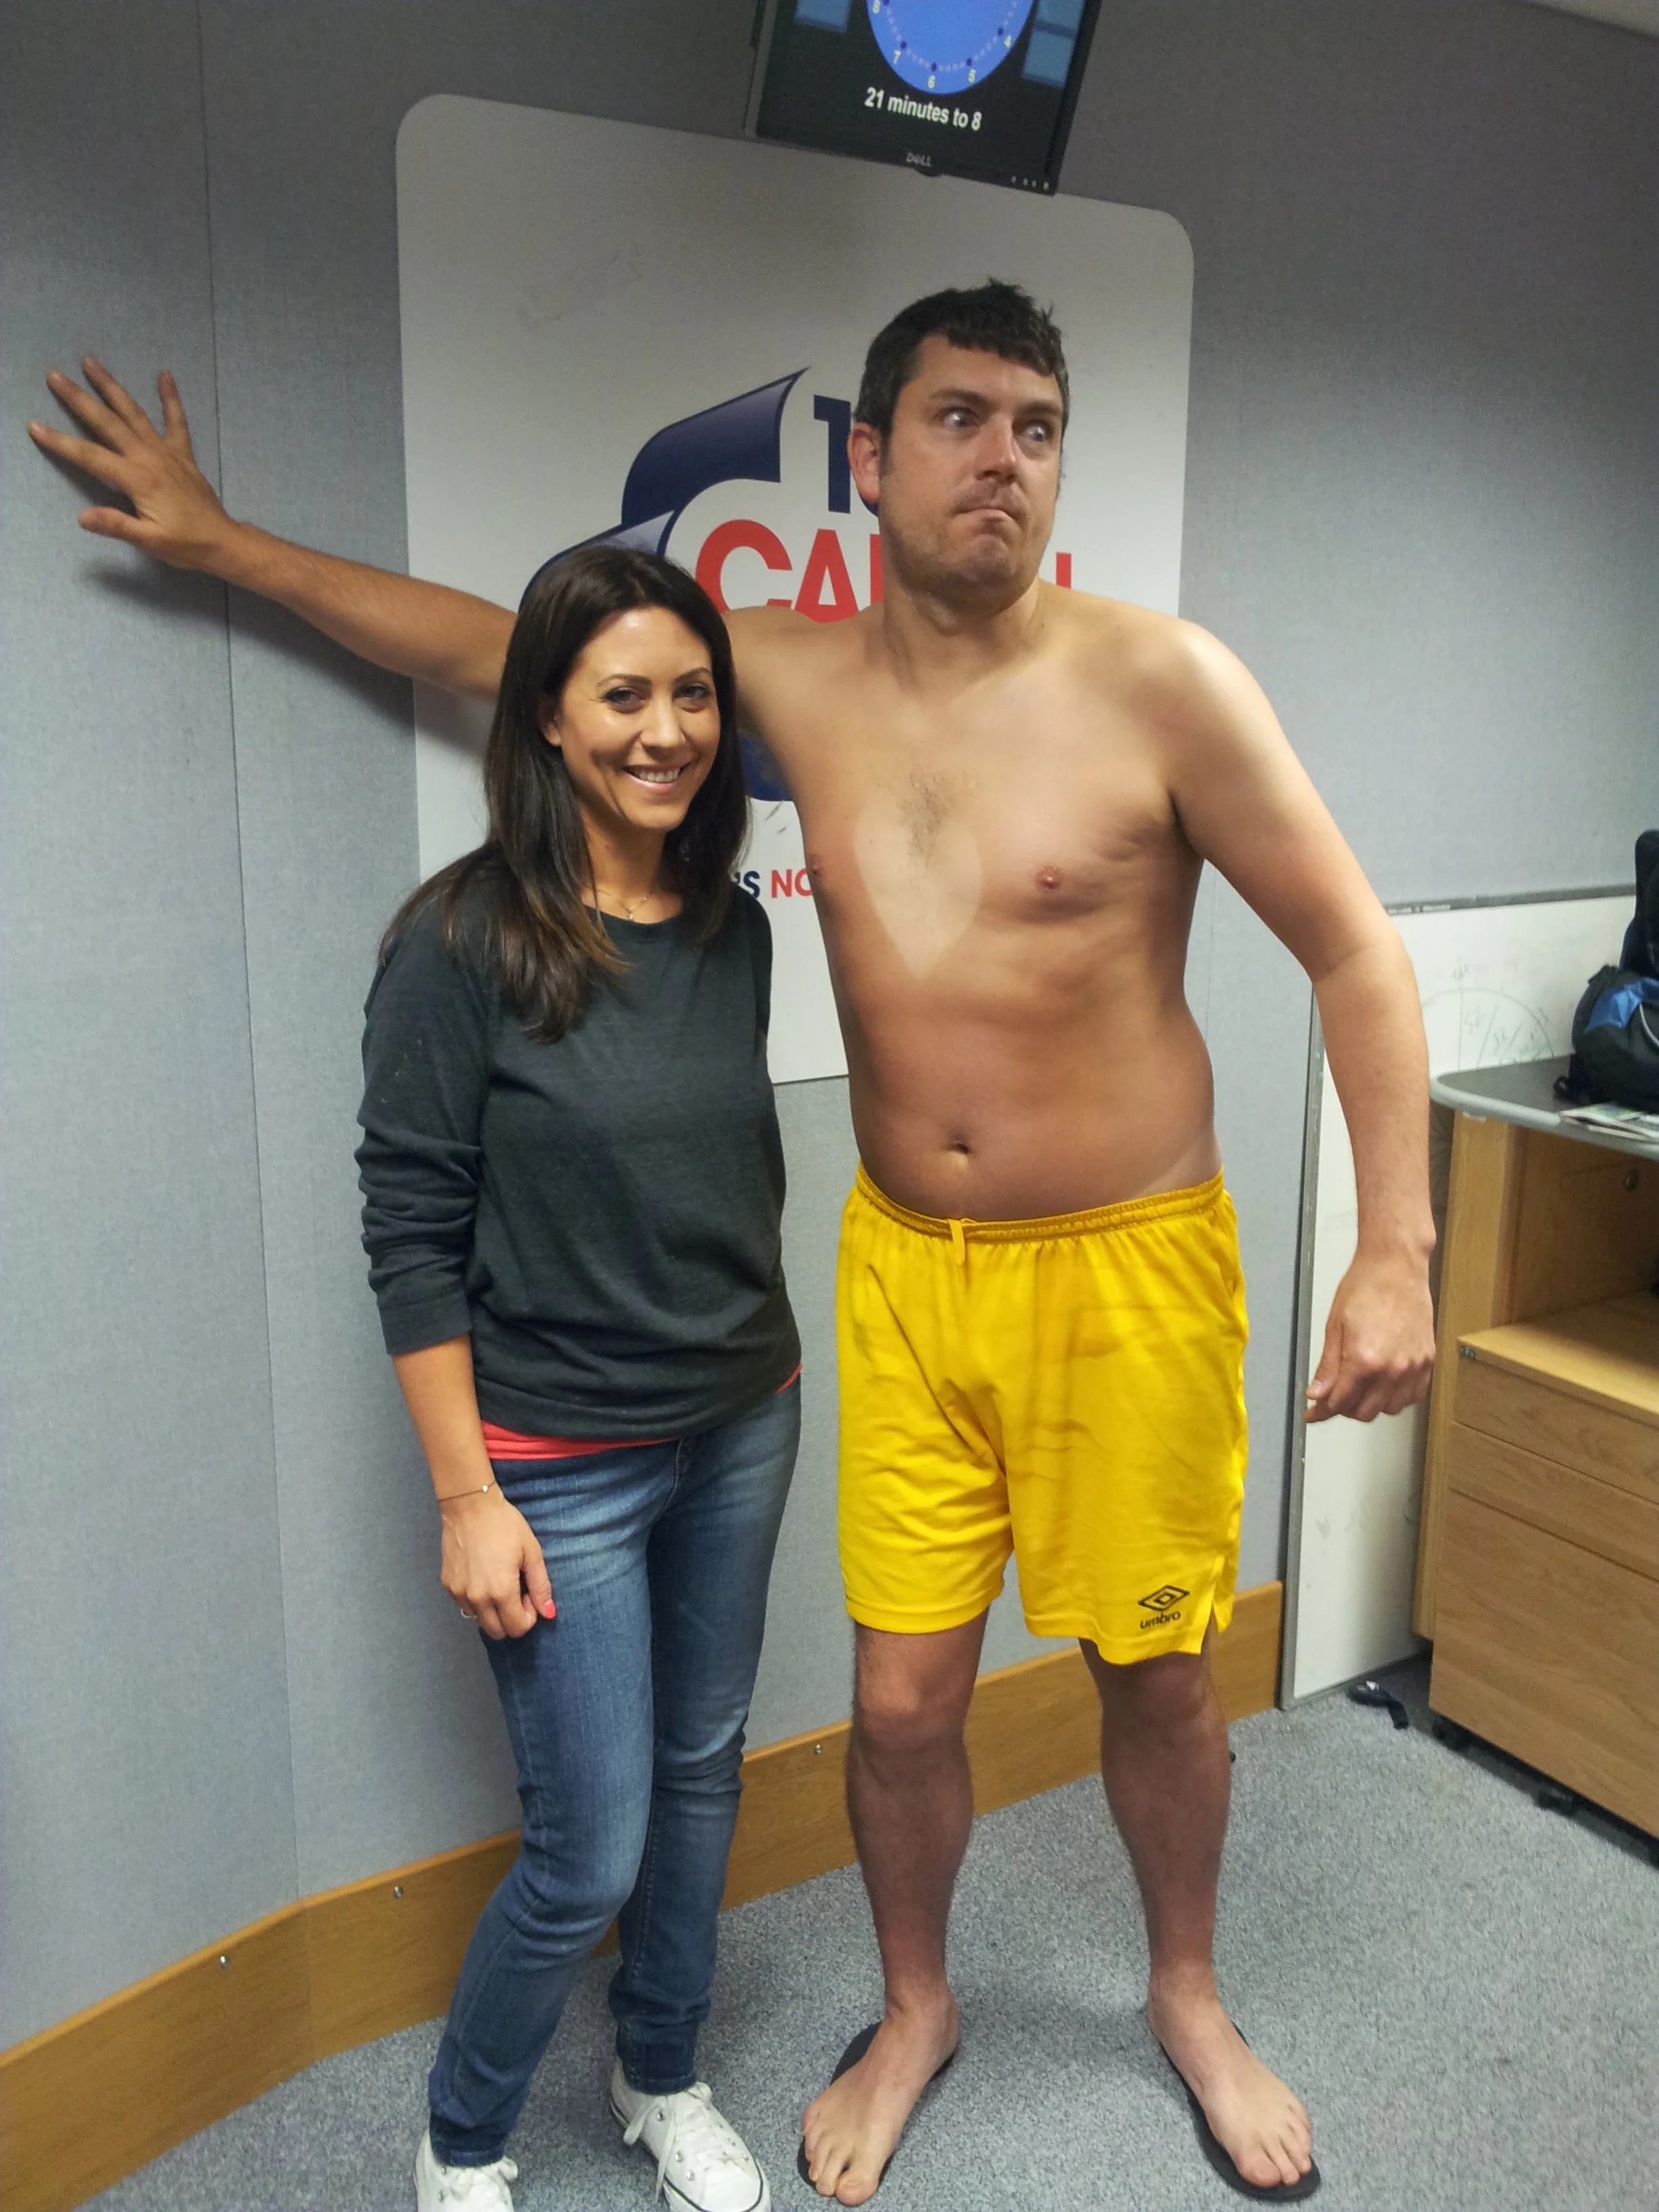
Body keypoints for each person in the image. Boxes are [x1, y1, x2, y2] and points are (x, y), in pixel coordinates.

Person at [31, 283, 1434, 2207]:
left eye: (1035, 424)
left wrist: (1397, 1249)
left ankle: (1185, 1989)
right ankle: (916, 2000)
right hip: (903, 1272)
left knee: (1162, 1676)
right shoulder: (779, 675)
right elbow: (488, 648)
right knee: (896, 1703)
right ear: (870, 458)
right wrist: (224, 547)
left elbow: (1356, 949)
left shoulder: (1162, 681)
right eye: (958, 418)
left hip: (1128, 1267)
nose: (1000, 458)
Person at [359, 544, 797, 2211]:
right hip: (553, 1464)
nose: (666, 729)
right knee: (583, 1849)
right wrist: (468, 1494)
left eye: (694, 694)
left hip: (743, 1421)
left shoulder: (733, 929)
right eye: (625, 694)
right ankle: (462, 2135)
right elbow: (410, 1230)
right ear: (546, 716)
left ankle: (660, 2067)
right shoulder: (458, 945)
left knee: (704, 1779)